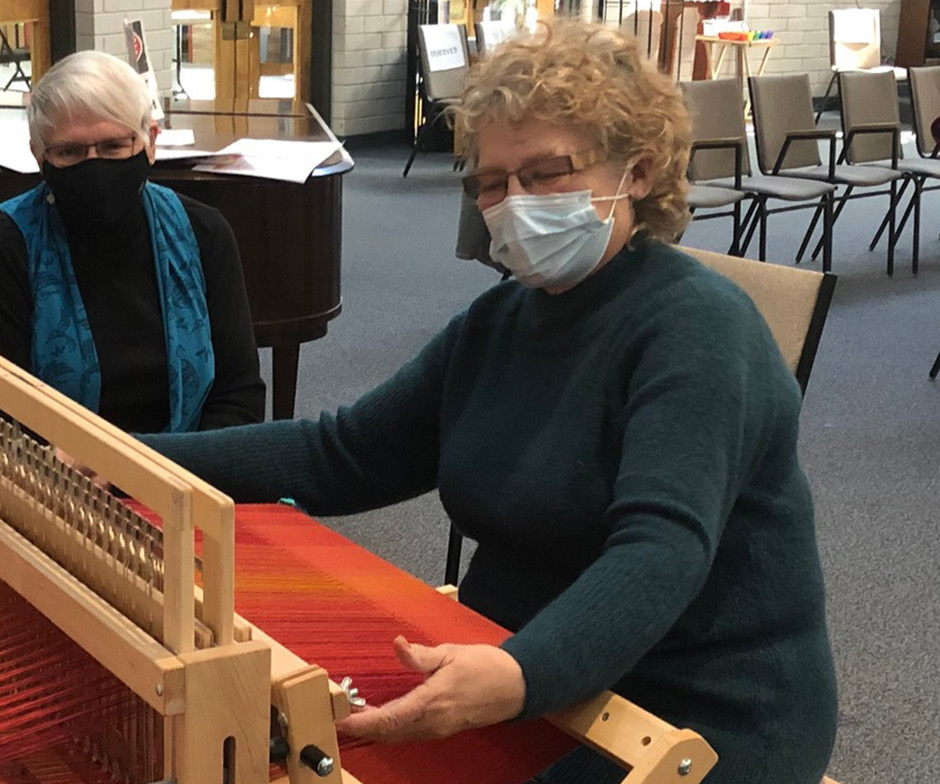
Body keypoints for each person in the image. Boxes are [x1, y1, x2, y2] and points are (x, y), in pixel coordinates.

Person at [136, 21, 837, 784]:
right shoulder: (502, 323)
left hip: (699, 710)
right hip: (516, 658)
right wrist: (133, 459)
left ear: (637, 171)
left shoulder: (698, 329)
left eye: (544, 174)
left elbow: (659, 551)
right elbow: (339, 454)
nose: (512, 204)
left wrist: (517, 676)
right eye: (492, 183)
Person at [0, 51, 266, 434]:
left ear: (150, 143)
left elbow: (239, 394)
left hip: (191, 476)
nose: (94, 166)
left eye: (114, 147)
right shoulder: (0, 247)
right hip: (51, 482)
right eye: (69, 152)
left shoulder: (204, 233)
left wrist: (180, 479)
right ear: (38, 154)